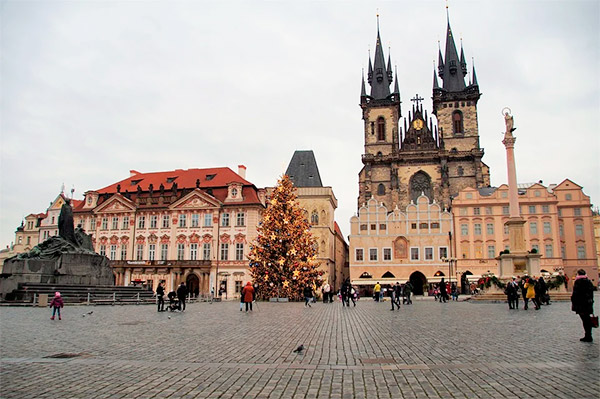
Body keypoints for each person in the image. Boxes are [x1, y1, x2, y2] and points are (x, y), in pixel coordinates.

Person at [571, 269, 595, 342]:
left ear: (578, 274)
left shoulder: (578, 282)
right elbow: (591, 293)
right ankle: (589, 335)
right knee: (587, 319)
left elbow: (575, 294)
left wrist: (573, 302)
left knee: (585, 320)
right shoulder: (588, 281)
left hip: (581, 304)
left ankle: (588, 336)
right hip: (588, 303)